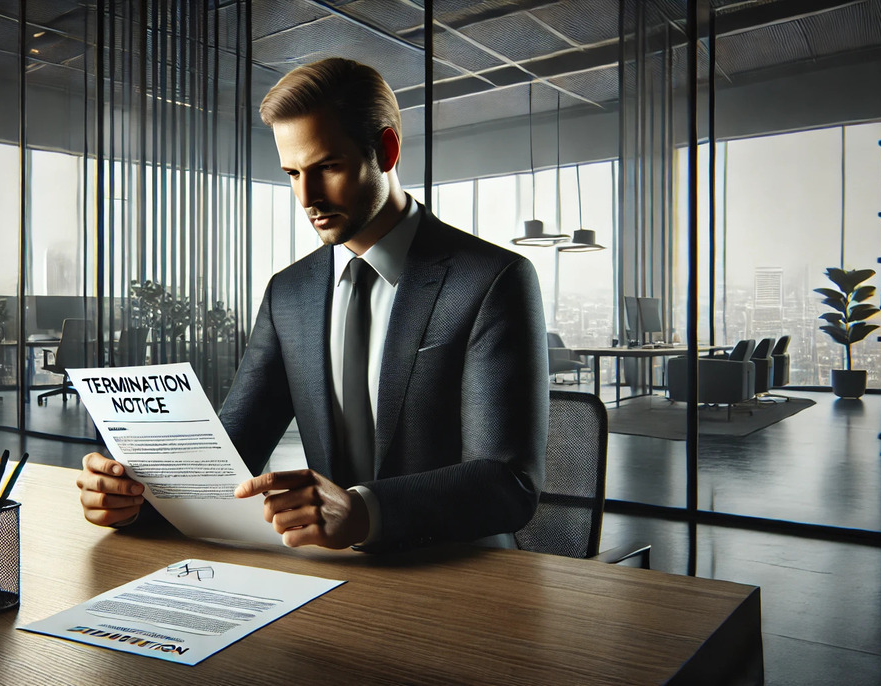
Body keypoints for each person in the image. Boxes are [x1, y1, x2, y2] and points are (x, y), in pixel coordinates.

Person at [77, 57, 548, 552]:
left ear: (386, 151)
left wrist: (363, 511)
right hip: (334, 574)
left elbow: (509, 483)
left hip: (468, 576)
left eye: (327, 167)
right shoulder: (290, 292)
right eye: (292, 172)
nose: (308, 197)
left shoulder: (493, 281)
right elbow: (231, 451)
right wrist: (130, 494)